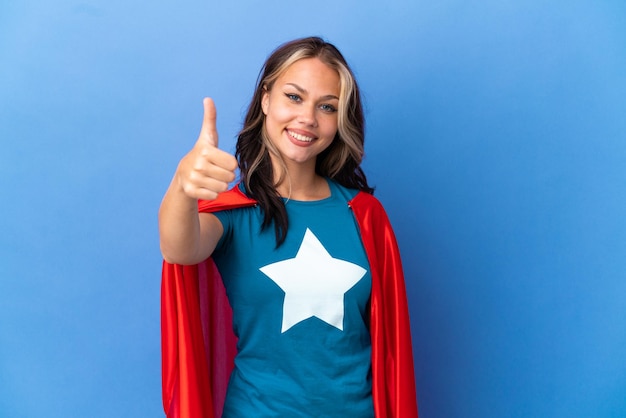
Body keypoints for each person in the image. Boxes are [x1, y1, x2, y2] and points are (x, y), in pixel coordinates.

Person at [159, 37, 418, 418]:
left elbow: (391, 345)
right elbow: (179, 249)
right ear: (266, 100)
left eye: (326, 106)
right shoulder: (234, 214)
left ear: (338, 121)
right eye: (294, 97)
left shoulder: (364, 214)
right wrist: (182, 186)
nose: (308, 118)